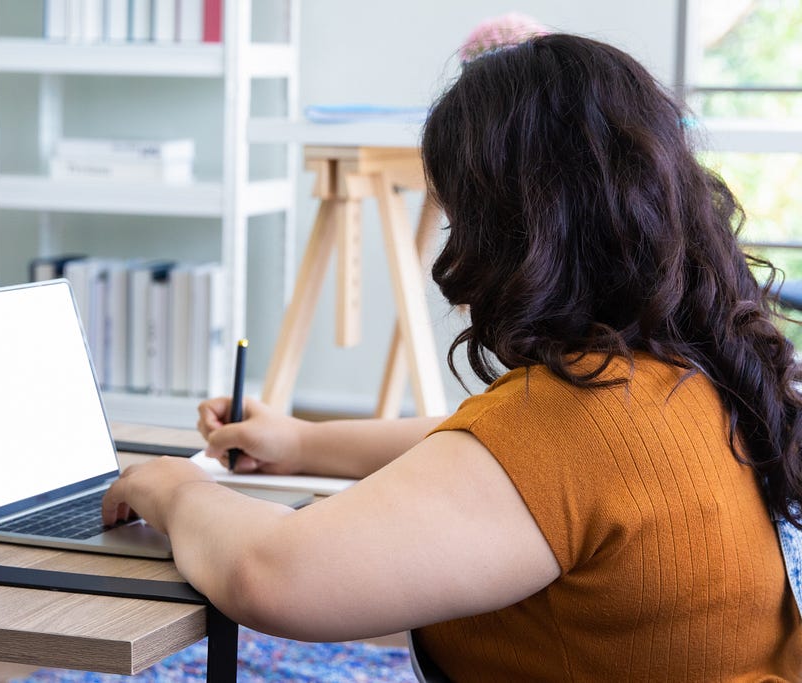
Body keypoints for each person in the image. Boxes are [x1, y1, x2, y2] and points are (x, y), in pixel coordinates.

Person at [103, 33, 802, 679]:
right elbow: (500, 466)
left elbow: (271, 573)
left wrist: (173, 489)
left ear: (516, 230)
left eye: (458, 216)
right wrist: (305, 442)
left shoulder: (576, 423)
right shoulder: (685, 371)